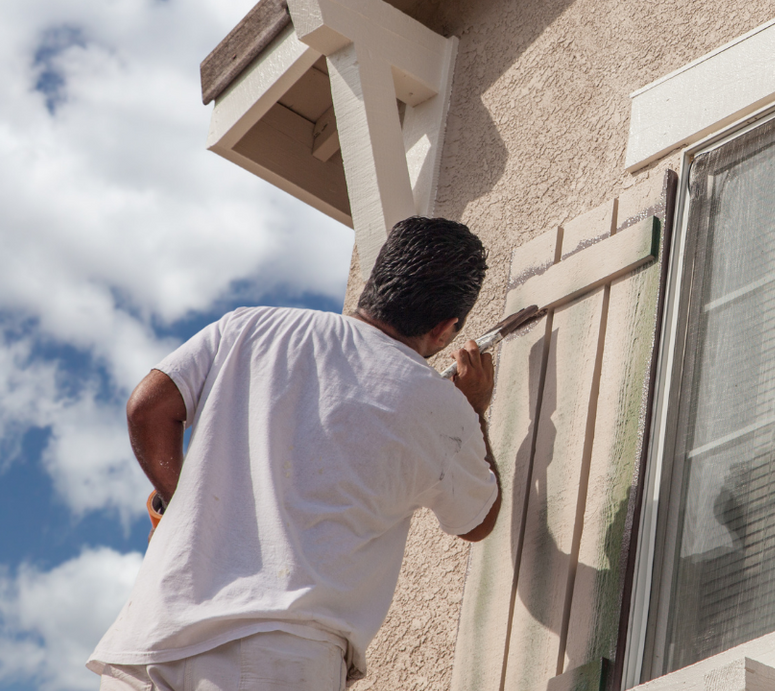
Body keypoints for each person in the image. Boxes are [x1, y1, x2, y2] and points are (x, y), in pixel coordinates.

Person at [88, 216, 502, 690]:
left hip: (151, 638)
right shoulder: (440, 406)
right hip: (278, 655)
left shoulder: (252, 326)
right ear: (446, 328)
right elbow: (477, 519)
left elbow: (147, 407)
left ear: (375, 283)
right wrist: (472, 409)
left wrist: (185, 506)